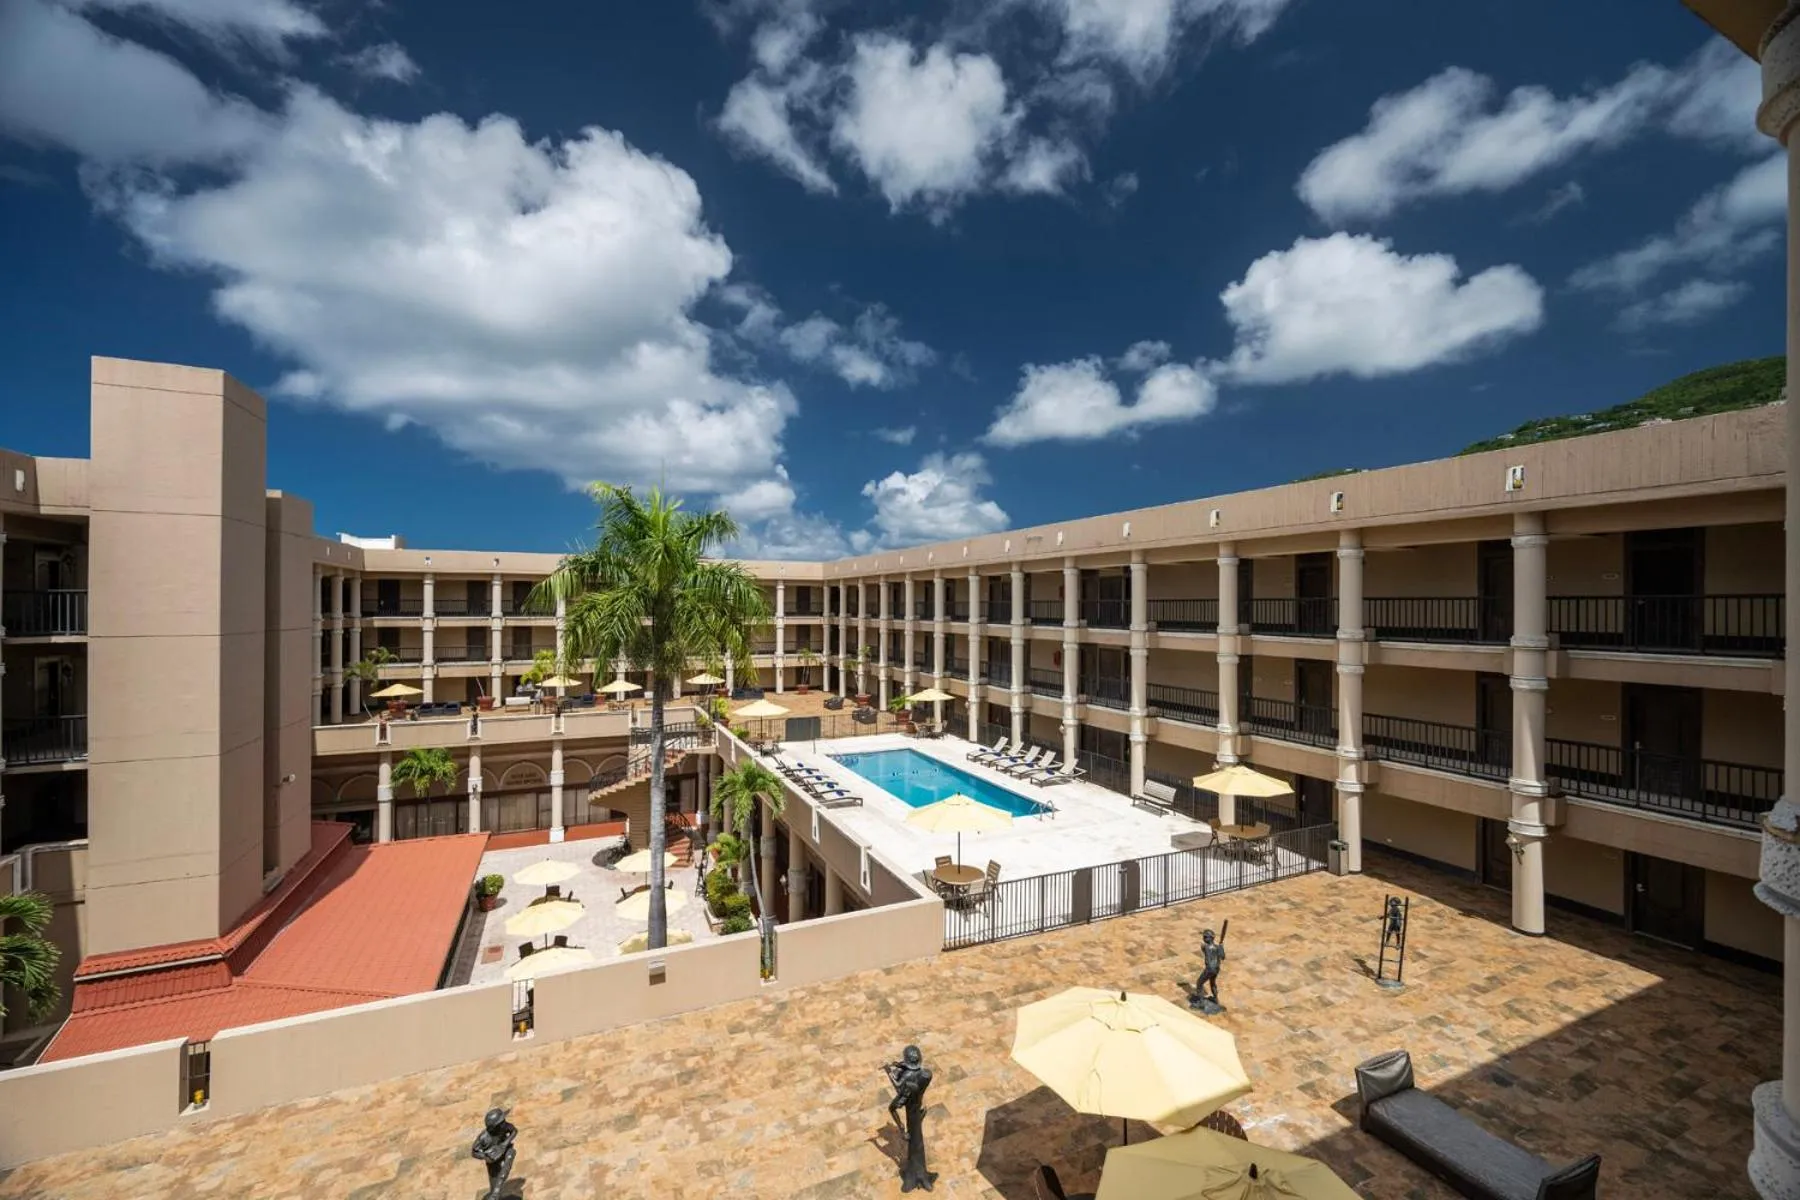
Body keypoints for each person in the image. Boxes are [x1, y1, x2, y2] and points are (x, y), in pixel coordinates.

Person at [884, 1045, 936, 1192]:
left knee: (892, 1108)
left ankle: (902, 1129)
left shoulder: (907, 1076)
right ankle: (920, 1172)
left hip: (910, 1106)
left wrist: (889, 1072)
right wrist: (899, 1065)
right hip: (917, 1105)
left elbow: (899, 1086)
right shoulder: (926, 1074)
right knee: (917, 1139)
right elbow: (911, 1069)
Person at [470, 1107, 517, 1200]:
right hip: (492, 1160)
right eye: (501, 1122)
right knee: (494, 1181)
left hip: (505, 1150)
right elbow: (474, 1152)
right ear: (495, 1127)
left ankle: (496, 1192)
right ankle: (495, 1194)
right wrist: (486, 1156)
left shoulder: (505, 1126)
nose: (504, 1123)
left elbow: (514, 1131)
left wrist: (504, 1144)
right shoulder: (484, 1137)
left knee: (510, 1154)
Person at [1192, 928, 1226, 1012]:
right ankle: (1215, 998)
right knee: (1212, 983)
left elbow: (1205, 947)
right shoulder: (1217, 947)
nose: (1204, 938)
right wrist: (1221, 947)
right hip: (1216, 969)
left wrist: (1220, 946)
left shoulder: (1205, 946)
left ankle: (1201, 1002)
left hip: (1210, 969)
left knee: (1199, 983)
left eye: (1205, 937)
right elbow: (1222, 957)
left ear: (1210, 938)